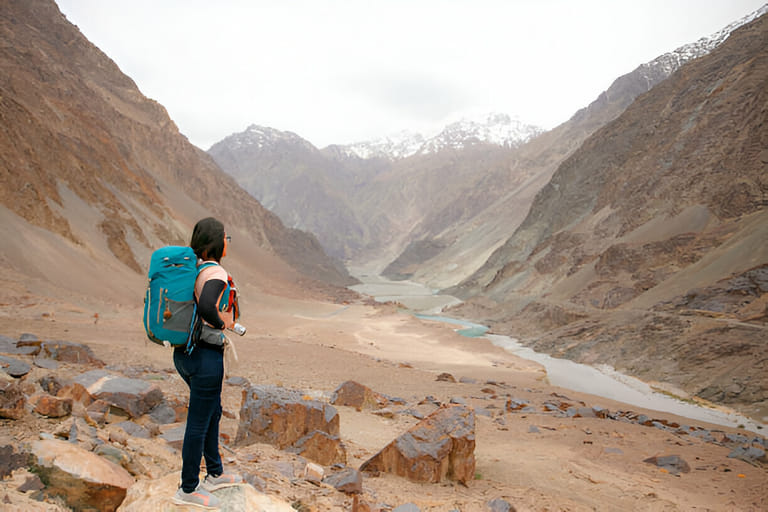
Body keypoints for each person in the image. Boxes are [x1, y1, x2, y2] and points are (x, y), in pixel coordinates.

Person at [172, 217, 243, 509]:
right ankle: (188, 488)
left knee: (213, 412)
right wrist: (224, 322)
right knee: (199, 423)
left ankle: (214, 473)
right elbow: (206, 306)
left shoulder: (196, 270)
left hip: (186, 354)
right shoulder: (215, 272)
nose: (227, 243)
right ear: (216, 242)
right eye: (226, 238)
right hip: (205, 357)